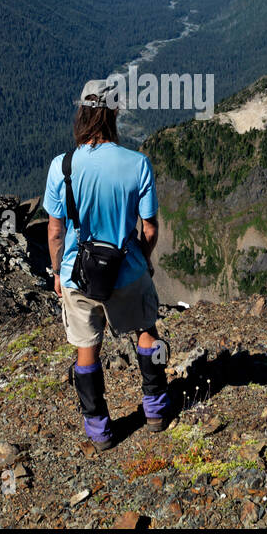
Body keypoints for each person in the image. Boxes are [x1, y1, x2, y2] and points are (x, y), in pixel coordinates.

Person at [43, 79, 170, 452]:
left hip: (77, 275)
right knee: (146, 330)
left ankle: (99, 430)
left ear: (82, 111)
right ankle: (156, 411)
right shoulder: (137, 163)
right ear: (114, 112)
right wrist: (142, 262)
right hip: (127, 271)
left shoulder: (61, 167)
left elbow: (55, 230)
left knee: (87, 349)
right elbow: (149, 227)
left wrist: (57, 273)